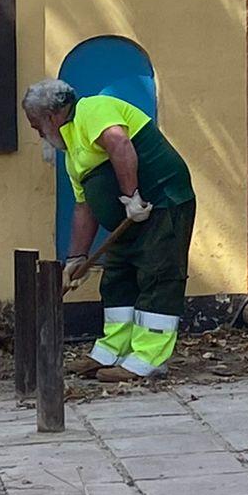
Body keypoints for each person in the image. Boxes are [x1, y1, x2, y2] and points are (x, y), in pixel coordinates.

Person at [21, 78, 195, 381]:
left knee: (157, 275)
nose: (38, 134)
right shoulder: (73, 150)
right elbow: (84, 206)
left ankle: (148, 359)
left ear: (51, 116)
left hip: (162, 203)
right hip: (127, 219)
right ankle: (110, 352)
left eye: (37, 126)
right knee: (117, 278)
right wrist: (77, 257)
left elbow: (119, 143)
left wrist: (131, 197)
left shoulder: (92, 109)